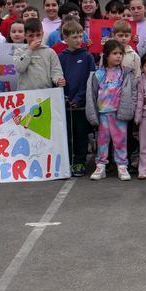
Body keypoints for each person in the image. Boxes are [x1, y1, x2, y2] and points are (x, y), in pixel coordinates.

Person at [85, 40, 136, 182]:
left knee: (120, 140)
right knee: (102, 140)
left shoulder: (125, 73)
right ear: (106, 55)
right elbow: (93, 94)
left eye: (120, 53)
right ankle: (101, 165)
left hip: (118, 113)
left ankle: (122, 165)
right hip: (103, 113)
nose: (118, 56)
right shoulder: (98, 74)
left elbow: (132, 92)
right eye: (114, 53)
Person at [56, 20, 95, 177]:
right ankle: (68, 161)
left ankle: (80, 161)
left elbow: (89, 81)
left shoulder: (87, 57)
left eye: (80, 36)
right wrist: (64, 95)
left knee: (81, 134)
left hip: (81, 105)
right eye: (75, 37)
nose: (79, 40)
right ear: (65, 38)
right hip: (64, 103)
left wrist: (78, 98)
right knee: (67, 134)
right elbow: (57, 77)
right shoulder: (60, 57)